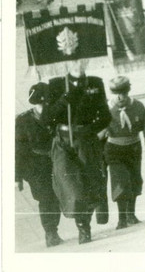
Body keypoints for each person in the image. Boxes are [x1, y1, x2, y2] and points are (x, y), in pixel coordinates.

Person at [41, 61, 111, 244]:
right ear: (67, 63)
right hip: (64, 141)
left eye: (82, 61)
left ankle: (85, 226)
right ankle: (82, 226)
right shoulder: (56, 85)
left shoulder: (95, 83)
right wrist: (64, 100)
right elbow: (47, 118)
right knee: (72, 186)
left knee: (89, 183)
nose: (78, 65)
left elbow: (105, 116)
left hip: (86, 140)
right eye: (74, 62)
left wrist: (90, 129)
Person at [101, 76, 145, 229]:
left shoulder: (138, 106)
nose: (120, 97)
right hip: (114, 150)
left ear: (128, 92)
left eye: (123, 93)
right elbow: (98, 133)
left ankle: (131, 214)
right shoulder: (106, 109)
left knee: (134, 180)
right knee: (120, 182)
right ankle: (122, 218)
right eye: (116, 93)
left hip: (133, 148)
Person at [16, 83, 63, 247]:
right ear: (34, 103)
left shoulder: (56, 116)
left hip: (55, 161)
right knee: (45, 198)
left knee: (56, 197)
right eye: (40, 104)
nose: (43, 107)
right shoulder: (22, 121)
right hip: (35, 166)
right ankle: (50, 232)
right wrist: (18, 176)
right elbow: (18, 149)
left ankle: (54, 229)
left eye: (47, 103)